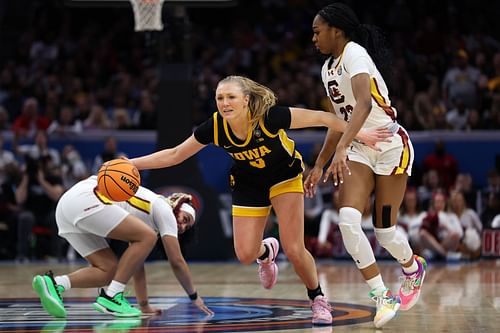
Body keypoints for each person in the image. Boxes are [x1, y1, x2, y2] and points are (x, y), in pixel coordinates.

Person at [129, 75, 391, 325]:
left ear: (246, 100)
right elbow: (175, 154)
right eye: (219, 98)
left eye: (231, 97)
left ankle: (318, 299)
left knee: (295, 249)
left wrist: (359, 134)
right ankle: (266, 253)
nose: (224, 103)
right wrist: (131, 164)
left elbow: (324, 117)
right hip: (248, 182)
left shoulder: (270, 117)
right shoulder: (215, 126)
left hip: (283, 176)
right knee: (244, 254)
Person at [304, 3, 427, 328]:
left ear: (336, 31)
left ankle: (413, 268)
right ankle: (381, 295)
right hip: (358, 147)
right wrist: (319, 164)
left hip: (389, 145)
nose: (313, 38)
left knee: (385, 232)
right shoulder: (327, 69)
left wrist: (342, 147)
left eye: (318, 31)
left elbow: (364, 103)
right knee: (347, 220)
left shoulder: (355, 53)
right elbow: (337, 120)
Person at [32, 175, 213, 318]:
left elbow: (136, 265)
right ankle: (112, 297)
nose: (181, 226)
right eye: (185, 219)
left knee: (108, 270)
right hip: (86, 198)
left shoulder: (147, 221)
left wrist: (144, 305)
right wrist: (194, 297)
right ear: (178, 206)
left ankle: (54, 284)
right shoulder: (164, 209)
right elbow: (177, 262)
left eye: (186, 228)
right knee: (147, 237)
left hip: (67, 206)